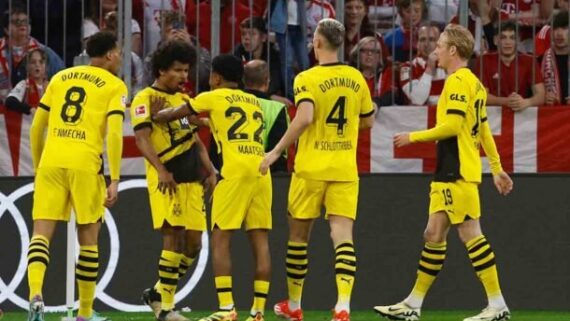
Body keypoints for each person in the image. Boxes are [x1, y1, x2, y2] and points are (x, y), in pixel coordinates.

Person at [373, 24, 513, 321]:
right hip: (451, 171)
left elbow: (451, 127)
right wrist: (497, 170)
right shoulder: (474, 83)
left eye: (439, 44)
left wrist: (413, 137)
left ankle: (497, 305)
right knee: (433, 234)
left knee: (471, 235)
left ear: (453, 50)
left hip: (456, 171)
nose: (435, 49)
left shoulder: (458, 81)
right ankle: (412, 305)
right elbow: (484, 130)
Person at [260, 18, 376, 321]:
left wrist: (275, 151)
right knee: (343, 237)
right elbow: (368, 121)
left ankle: (295, 306)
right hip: (344, 168)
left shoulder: (306, 78)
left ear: (318, 43)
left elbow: (305, 116)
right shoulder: (356, 78)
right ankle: (343, 306)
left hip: (311, 167)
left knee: (298, 237)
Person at [151, 54, 272, 321]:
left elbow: (175, 114)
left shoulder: (213, 96)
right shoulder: (253, 101)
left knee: (220, 238)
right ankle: (258, 311)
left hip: (235, 171)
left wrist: (157, 114)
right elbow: (223, 123)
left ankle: (227, 309)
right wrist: (202, 122)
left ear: (216, 77)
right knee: (260, 240)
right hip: (262, 171)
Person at [26, 31, 127, 321]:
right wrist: (115, 177)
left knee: (40, 235)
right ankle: (84, 313)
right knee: (89, 239)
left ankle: (35, 295)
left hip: (51, 162)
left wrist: (39, 167)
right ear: (109, 55)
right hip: (85, 164)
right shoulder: (114, 85)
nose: (119, 57)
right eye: (118, 52)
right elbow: (116, 133)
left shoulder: (60, 78)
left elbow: (36, 128)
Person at [131, 40, 216, 321]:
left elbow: (196, 141)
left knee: (194, 246)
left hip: (193, 181)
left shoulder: (182, 101)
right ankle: (166, 308)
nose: (184, 76)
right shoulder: (144, 98)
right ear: (161, 70)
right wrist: (161, 170)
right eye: (178, 70)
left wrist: (211, 170)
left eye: (186, 71)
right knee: (174, 238)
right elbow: (142, 139)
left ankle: (157, 292)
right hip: (168, 179)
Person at [475, 21, 545, 112]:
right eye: (503, 38)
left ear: (518, 40)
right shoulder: (484, 60)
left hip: (521, 117)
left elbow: (541, 95)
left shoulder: (529, 61)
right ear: (495, 40)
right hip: (492, 118)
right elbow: (482, 95)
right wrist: (506, 101)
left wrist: (526, 102)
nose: (508, 42)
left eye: (512, 38)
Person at [243, 59, 289, 172]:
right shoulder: (277, 109)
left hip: (235, 171)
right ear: (267, 80)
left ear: (243, 80)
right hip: (265, 173)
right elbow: (278, 149)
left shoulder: (231, 103)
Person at [399, 22, 446, 106]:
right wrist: (429, 68)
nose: (426, 44)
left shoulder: (450, 66)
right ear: (417, 44)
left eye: (431, 39)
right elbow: (418, 100)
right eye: (422, 40)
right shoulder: (407, 68)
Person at [541, 10, 570, 105]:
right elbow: (532, 93)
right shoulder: (540, 60)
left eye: (565, 28)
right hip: (552, 115)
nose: (559, 33)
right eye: (556, 28)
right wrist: (543, 96)